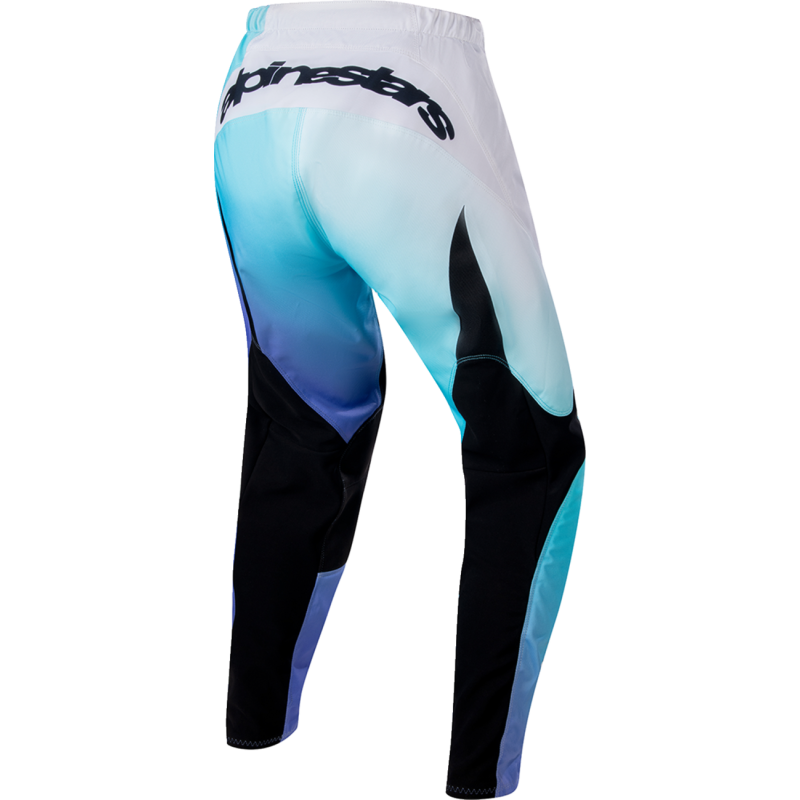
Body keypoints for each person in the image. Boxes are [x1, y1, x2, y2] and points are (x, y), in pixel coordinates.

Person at [215, 2, 586, 797]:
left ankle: (254, 725)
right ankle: (482, 776)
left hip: (254, 91)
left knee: (301, 422)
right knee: (528, 449)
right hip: (409, 89)